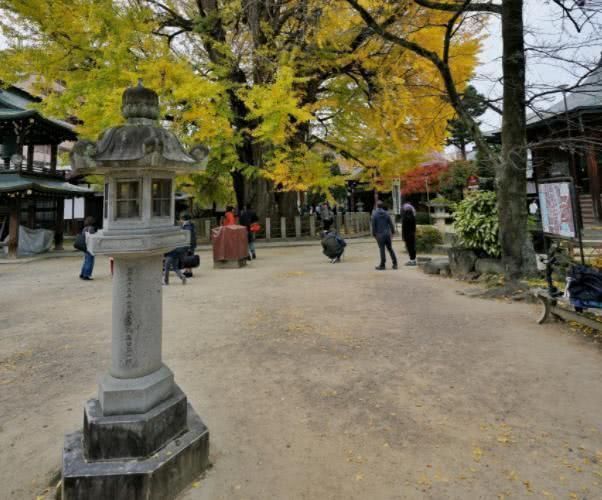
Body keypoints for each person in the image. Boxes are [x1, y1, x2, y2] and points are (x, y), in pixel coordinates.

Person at [371, 201, 398, 270]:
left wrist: (374, 234)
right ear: (382, 206)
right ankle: (395, 264)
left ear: (377, 206)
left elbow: (373, 225)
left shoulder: (375, 214)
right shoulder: (386, 214)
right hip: (387, 234)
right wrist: (392, 232)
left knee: (382, 249)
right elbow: (391, 224)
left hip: (379, 234)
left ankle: (382, 265)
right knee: (390, 248)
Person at [80, 216, 96, 280]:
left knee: (86, 260)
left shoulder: (84, 228)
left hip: (85, 246)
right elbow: (93, 236)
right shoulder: (91, 228)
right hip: (90, 246)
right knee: (90, 261)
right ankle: (86, 275)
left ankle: (82, 273)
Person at [181, 213, 197, 278]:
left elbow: (187, 235)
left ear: (184, 219)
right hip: (191, 244)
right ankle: (188, 271)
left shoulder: (187, 226)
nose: (180, 220)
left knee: (187, 257)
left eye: (181, 218)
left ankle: (188, 272)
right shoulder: (190, 224)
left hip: (188, 244)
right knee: (189, 257)